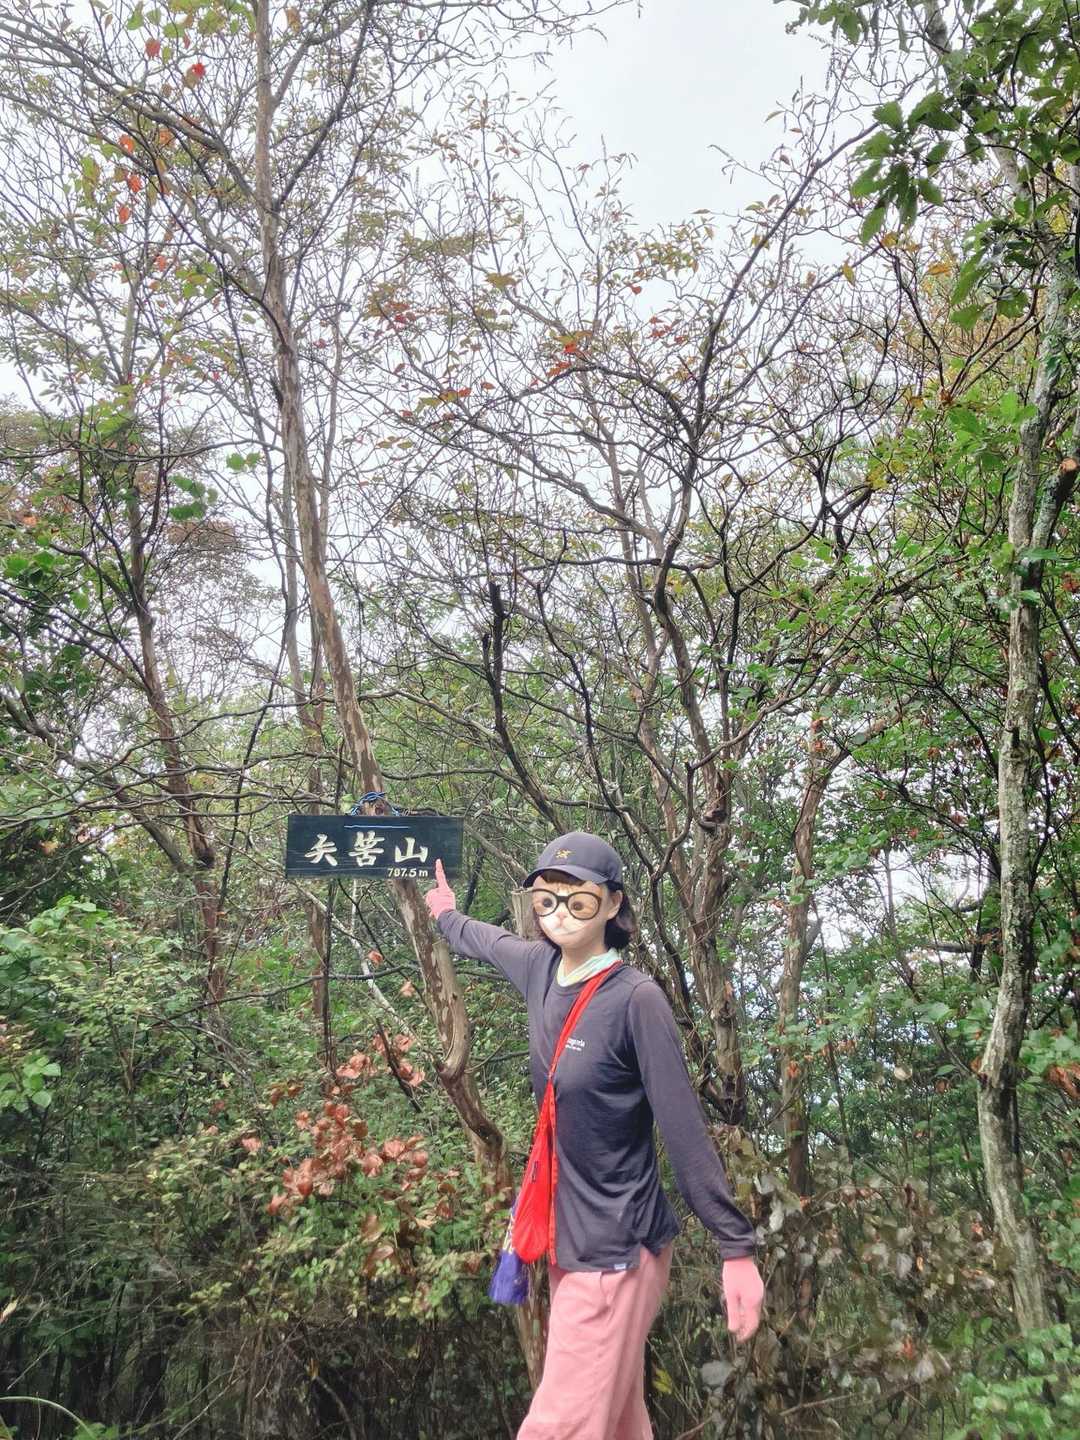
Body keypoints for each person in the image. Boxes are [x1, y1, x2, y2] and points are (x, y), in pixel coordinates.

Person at [424, 830, 764, 1440]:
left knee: (558, 1427)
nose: (559, 915)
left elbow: (685, 1130)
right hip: (569, 1240)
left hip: (615, 1250)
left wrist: (735, 1246)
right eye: (546, 900)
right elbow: (485, 940)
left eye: (578, 901)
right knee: (618, 1422)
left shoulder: (636, 1001)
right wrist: (446, 914)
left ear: (612, 904)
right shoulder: (540, 968)